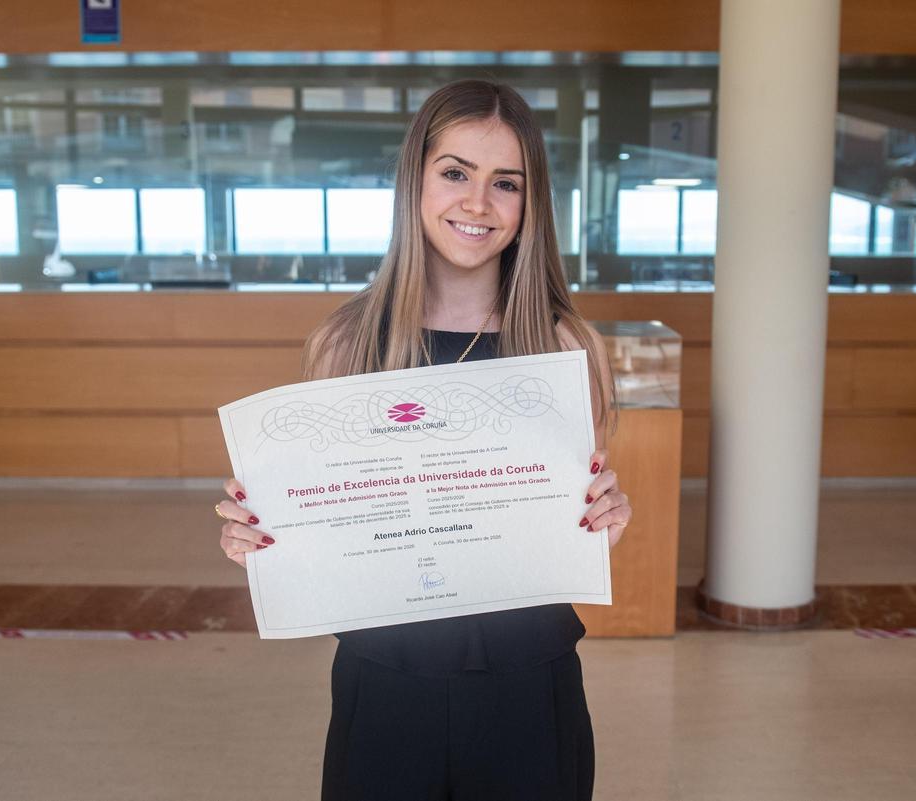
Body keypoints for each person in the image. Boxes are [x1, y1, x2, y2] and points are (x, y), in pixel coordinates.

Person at [214, 79, 633, 801]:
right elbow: (323, 528)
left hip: (528, 677)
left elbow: (561, 521)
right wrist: (264, 534)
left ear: (531, 204)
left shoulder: (566, 346)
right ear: (415, 181)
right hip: (386, 679)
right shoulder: (346, 343)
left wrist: (603, 518)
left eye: (506, 182)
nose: (477, 203)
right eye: (455, 174)